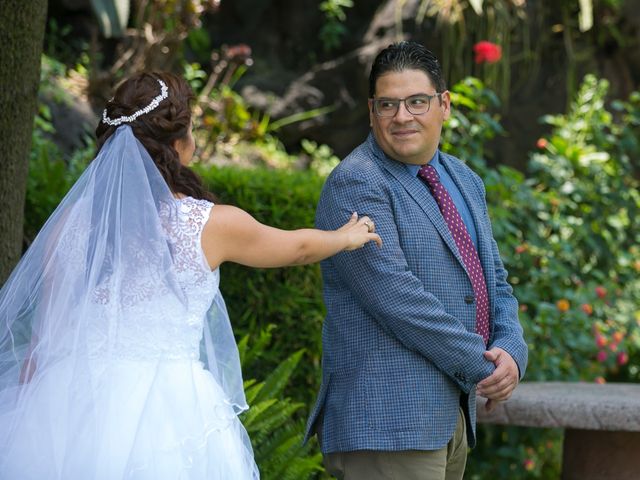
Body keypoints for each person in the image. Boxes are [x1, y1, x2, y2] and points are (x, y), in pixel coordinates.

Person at [0, 71, 381, 480]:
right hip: (169, 412)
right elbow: (296, 247)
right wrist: (344, 237)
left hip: (68, 399)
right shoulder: (207, 225)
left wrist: (30, 414)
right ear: (177, 143)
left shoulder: (68, 226)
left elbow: (41, 341)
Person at [304, 41, 528, 480]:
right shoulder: (356, 183)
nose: (401, 116)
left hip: (451, 417)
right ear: (372, 111)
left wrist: (513, 352)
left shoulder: (463, 179)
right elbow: (399, 301)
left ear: (443, 105)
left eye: (417, 102)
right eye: (387, 104)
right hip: (387, 423)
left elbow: (495, 280)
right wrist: (485, 365)